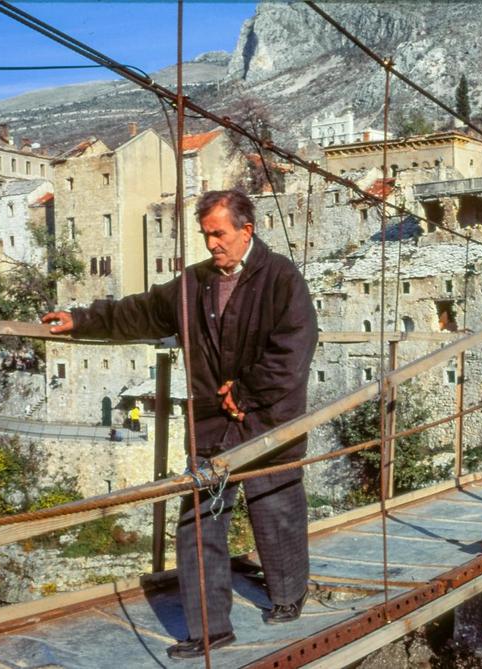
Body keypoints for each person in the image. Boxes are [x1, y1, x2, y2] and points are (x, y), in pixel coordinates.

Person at [42, 189, 318, 660]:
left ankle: (289, 596)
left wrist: (246, 392)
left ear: (246, 231)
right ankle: (210, 630)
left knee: (275, 504)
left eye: (219, 233)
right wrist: (80, 319)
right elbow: (139, 312)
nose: (212, 243)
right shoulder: (193, 283)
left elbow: (294, 349)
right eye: (206, 234)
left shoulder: (282, 279)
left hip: (269, 418)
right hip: (212, 421)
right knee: (198, 519)